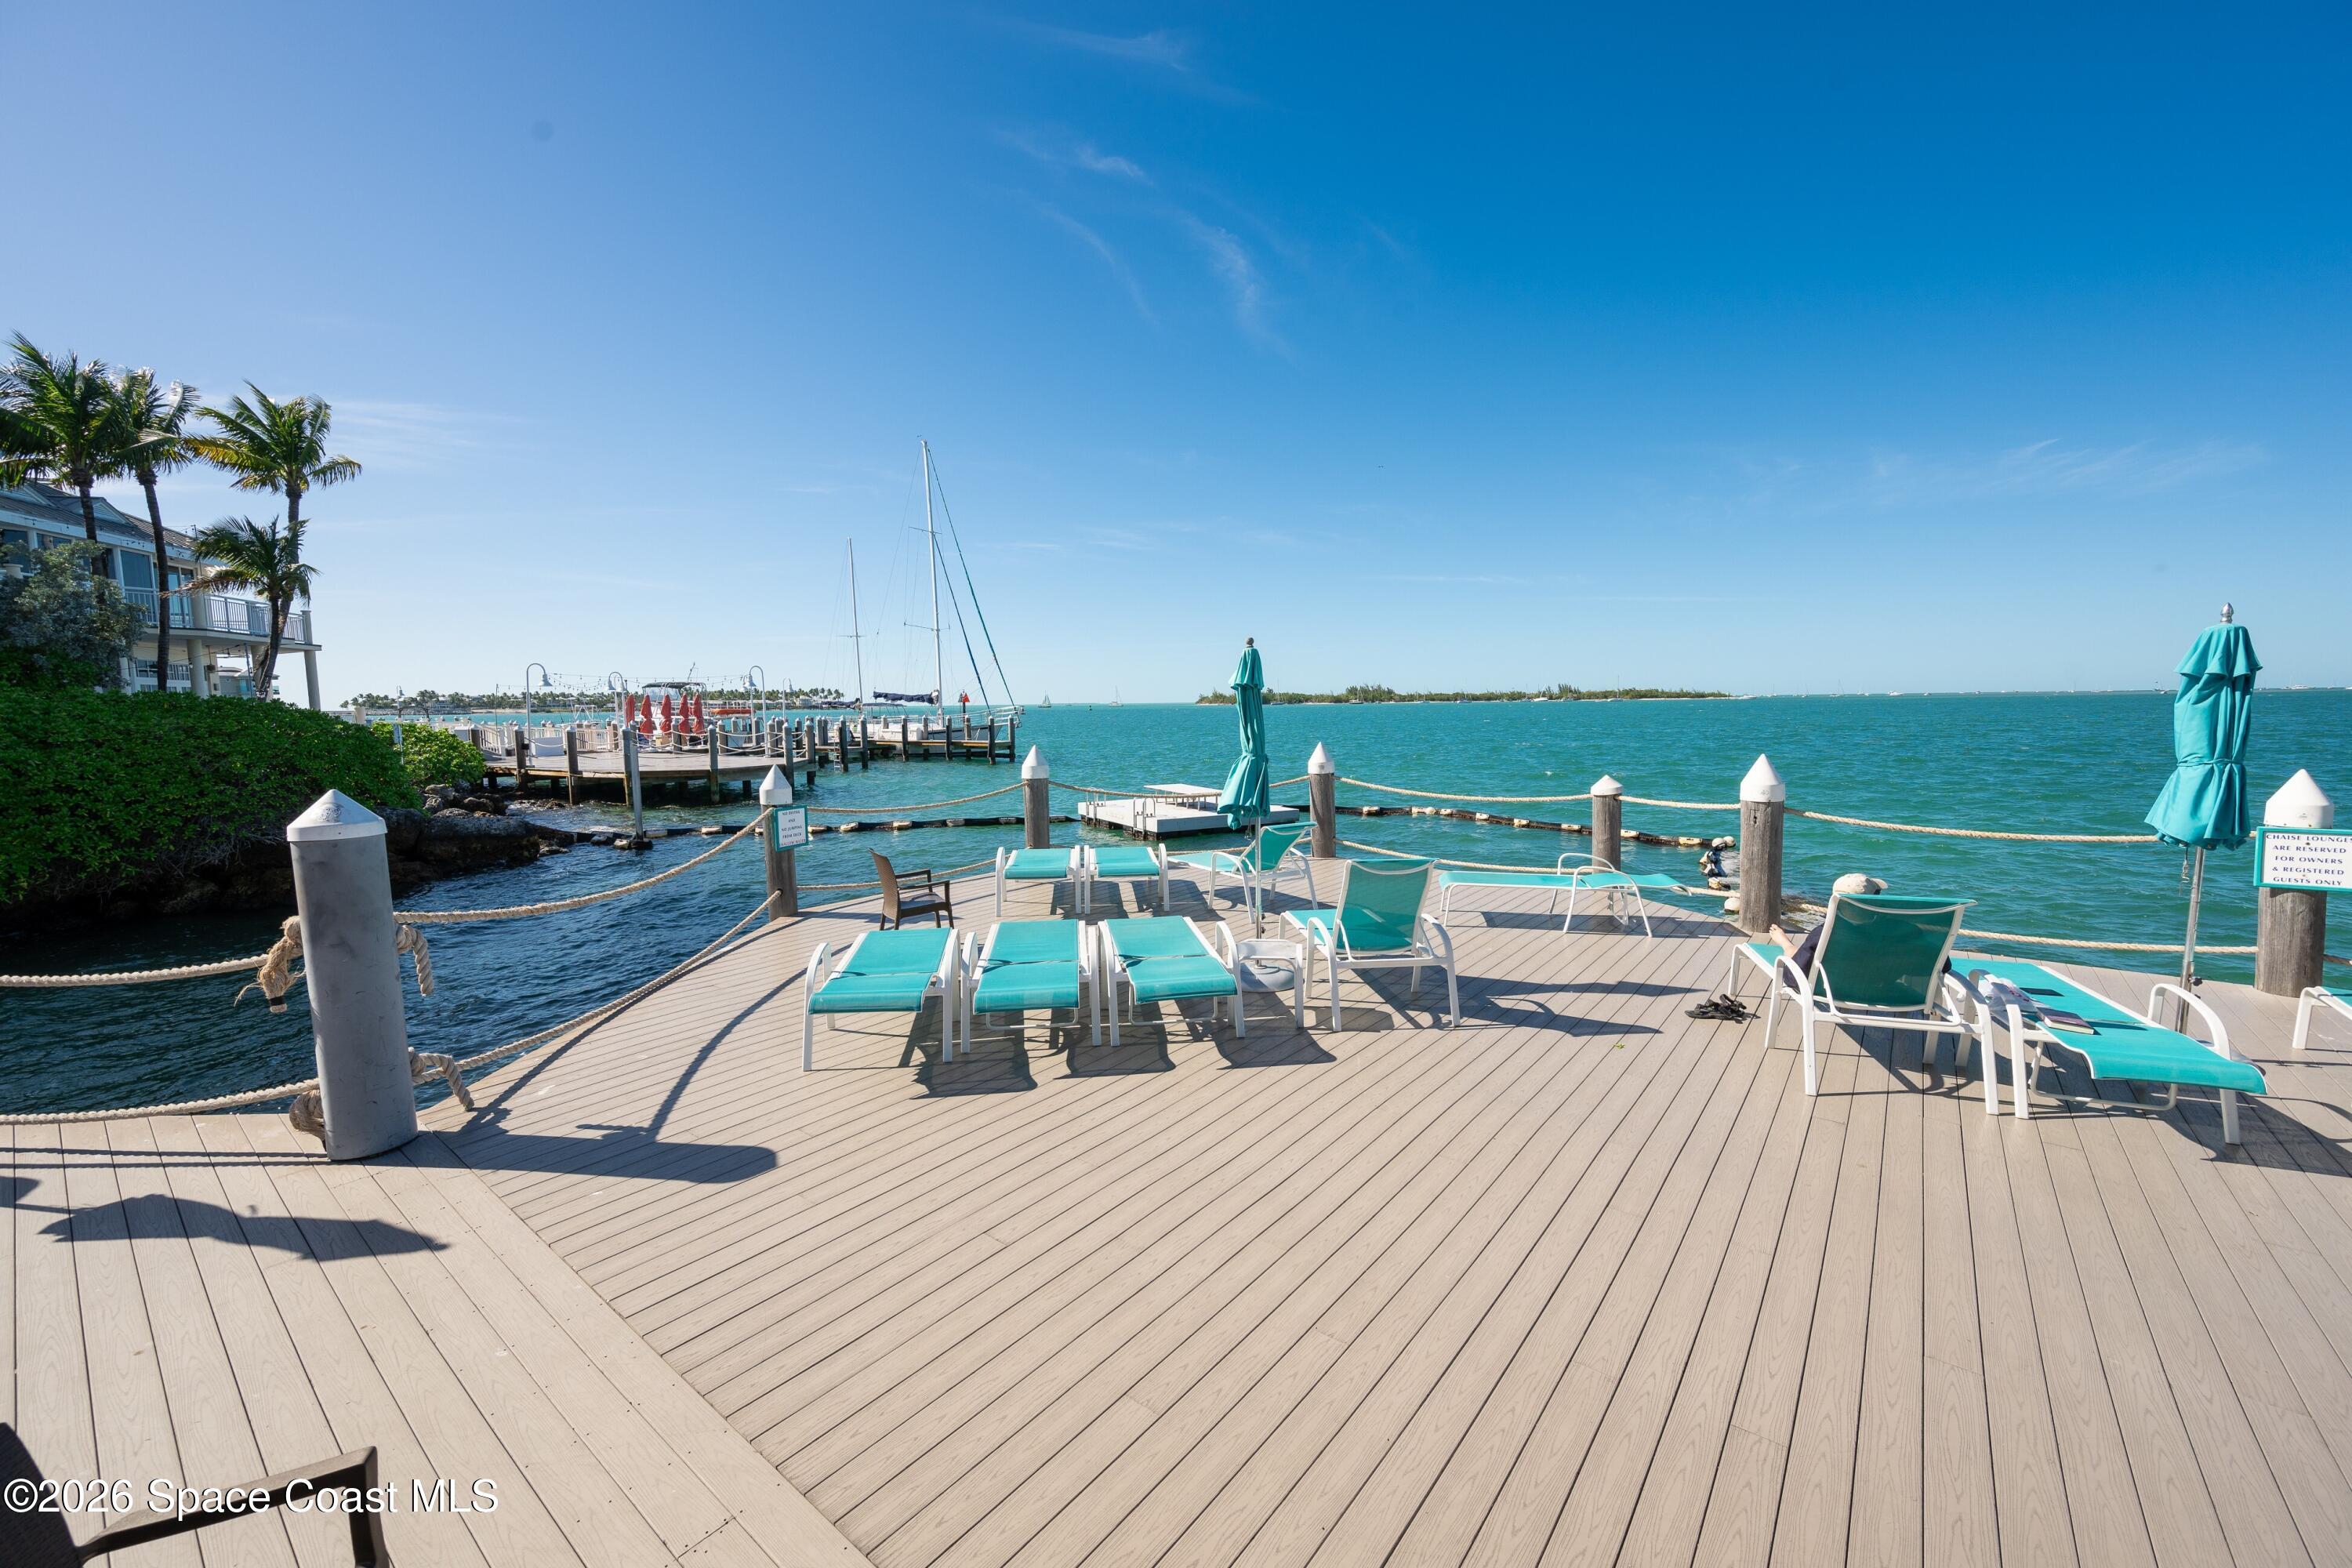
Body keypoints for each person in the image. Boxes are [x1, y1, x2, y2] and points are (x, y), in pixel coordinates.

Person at [1766, 873, 1888, 975]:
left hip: (1832, 991)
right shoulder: (1891, 931)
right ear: (1874, 901)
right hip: (1884, 993)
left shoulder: (1825, 933)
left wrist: (1786, 944)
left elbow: (1799, 969)